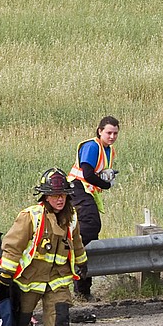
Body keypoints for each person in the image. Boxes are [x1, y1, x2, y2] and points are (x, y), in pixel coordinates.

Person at [0, 168, 88, 326]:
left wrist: (82, 262)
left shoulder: (71, 217)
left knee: (59, 316)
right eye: (55, 195)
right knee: (20, 319)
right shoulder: (31, 217)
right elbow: (12, 245)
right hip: (31, 279)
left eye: (63, 194)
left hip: (58, 278)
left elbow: (77, 242)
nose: (59, 199)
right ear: (45, 196)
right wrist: (6, 273)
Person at [69, 116, 119, 300]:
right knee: (91, 226)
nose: (112, 136)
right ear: (99, 131)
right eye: (109, 132)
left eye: (115, 133)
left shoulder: (109, 150)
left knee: (91, 235)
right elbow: (88, 174)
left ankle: (82, 289)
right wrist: (106, 185)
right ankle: (69, 251)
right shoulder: (92, 146)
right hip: (77, 189)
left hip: (86, 192)